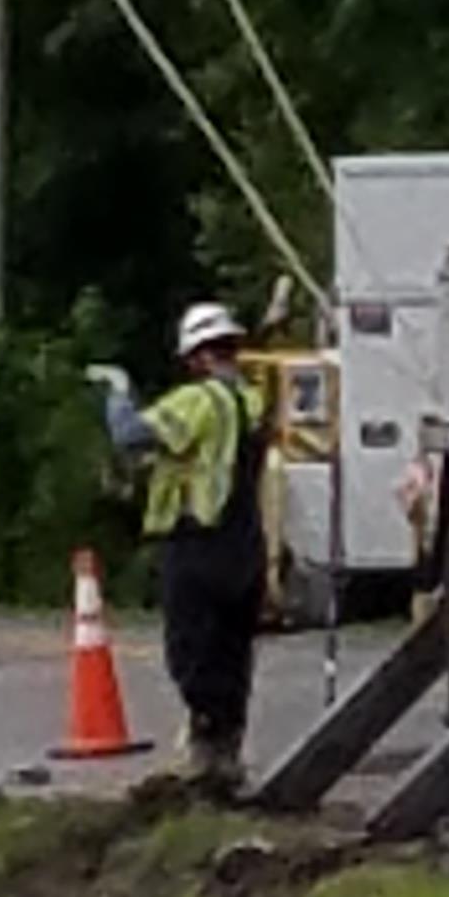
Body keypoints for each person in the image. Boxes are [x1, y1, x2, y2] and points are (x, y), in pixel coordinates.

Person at [105, 300, 270, 786]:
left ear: (196, 357)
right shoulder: (253, 400)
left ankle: (205, 751)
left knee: (192, 650)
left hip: (199, 541)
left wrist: (118, 393)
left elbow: (131, 435)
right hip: (245, 543)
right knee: (232, 652)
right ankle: (226, 752)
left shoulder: (199, 402)